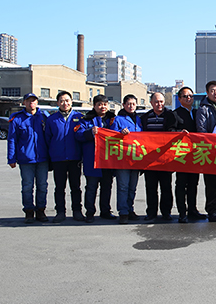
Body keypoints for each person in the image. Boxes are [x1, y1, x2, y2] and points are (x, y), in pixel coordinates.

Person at [7, 93, 49, 223]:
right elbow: (12, 139)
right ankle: (29, 211)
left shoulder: (44, 117)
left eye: (34, 101)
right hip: (26, 159)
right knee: (27, 186)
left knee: (42, 186)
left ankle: (41, 210)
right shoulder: (17, 119)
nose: (31, 103)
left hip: (42, 158)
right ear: (24, 103)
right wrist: (11, 158)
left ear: (37, 102)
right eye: (28, 101)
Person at [167, 86, 207, 223]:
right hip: (181, 156)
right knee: (181, 184)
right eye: (185, 96)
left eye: (190, 96)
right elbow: (169, 131)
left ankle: (192, 210)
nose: (188, 98)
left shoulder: (196, 112)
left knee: (193, 184)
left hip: (195, 154)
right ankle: (182, 212)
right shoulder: (174, 114)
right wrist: (179, 132)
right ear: (179, 99)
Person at [75, 94, 116, 223]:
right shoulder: (86, 119)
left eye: (105, 104)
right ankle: (90, 212)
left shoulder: (113, 119)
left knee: (107, 187)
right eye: (99, 104)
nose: (102, 107)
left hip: (108, 160)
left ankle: (105, 211)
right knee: (91, 188)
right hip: (92, 160)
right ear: (94, 106)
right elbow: (78, 135)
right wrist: (90, 132)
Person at [45, 91, 84, 223]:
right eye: (62, 101)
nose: (65, 103)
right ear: (57, 103)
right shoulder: (51, 119)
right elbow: (48, 139)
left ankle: (77, 211)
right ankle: (60, 212)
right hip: (58, 159)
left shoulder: (79, 117)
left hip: (75, 158)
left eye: (67, 100)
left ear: (71, 102)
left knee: (75, 187)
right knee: (59, 187)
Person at [140, 92, 175, 221]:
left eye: (161, 101)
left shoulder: (171, 116)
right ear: (151, 103)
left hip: (165, 159)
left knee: (166, 188)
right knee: (151, 188)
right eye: (156, 102)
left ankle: (166, 212)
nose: (159, 104)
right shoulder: (145, 117)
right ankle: (151, 212)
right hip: (149, 159)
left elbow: (174, 131)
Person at [196, 80, 216, 222]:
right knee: (212, 183)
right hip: (210, 151)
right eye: (212, 91)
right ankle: (212, 210)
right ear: (207, 93)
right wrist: (213, 143)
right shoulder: (203, 109)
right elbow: (201, 130)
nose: (215, 93)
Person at [110, 94, 142, 224]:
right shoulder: (117, 119)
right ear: (123, 105)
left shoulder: (139, 119)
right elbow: (111, 136)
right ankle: (123, 212)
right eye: (128, 104)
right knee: (123, 186)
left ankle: (130, 209)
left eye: (133, 104)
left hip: (135, 158)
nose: (131, 106)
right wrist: (120, 133)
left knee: (132, 187)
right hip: (122, 158)